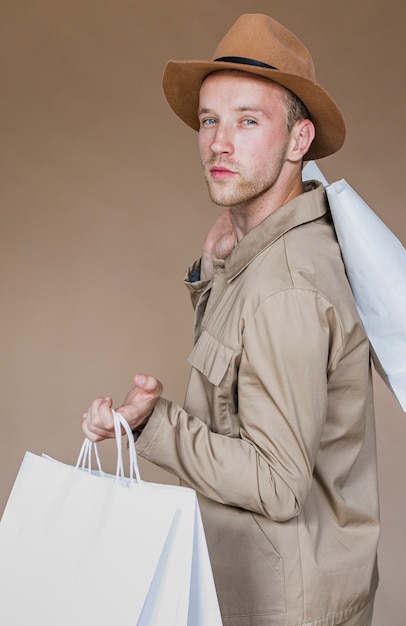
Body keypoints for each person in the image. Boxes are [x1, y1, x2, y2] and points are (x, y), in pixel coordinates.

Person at [82, 14, 379, 626]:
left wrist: (151, 425)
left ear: (299, 142)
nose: (220, 142)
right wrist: (218, 272)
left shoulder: (284, 287)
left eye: (248, 121)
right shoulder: (264, 255)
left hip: (283, 606)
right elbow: (241, 382)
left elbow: (276, 483)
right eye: (210, 120)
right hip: (261, 587)